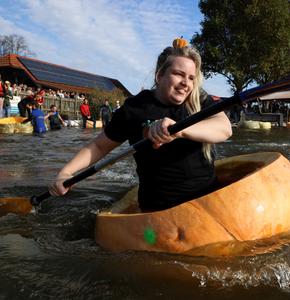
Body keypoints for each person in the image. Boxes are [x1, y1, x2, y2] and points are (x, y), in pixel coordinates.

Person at [49, 39, 232, 211]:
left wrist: (180, 130)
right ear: (160, 75)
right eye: (178, 74)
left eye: (192, 78)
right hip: (159, 207)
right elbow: (99, 146)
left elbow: (224, 128)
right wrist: (66, 172)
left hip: (207, 196)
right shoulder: (135, 108)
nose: (186, 83)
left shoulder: (199, 100)